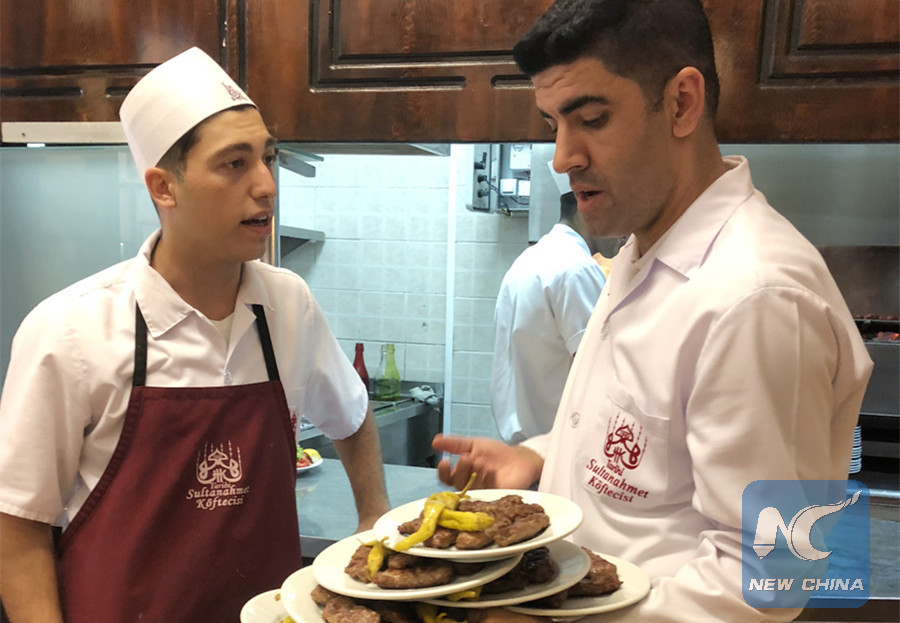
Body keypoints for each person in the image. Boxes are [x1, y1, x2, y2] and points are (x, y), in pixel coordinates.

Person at [433, 1, 873, 621]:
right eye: (554, 125)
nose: (562, 157)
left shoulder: (757, 298)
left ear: (681, 104)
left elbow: (768, 578)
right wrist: (538, 456)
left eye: (591, 119)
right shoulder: (643, 253)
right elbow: (648, 440)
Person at [0, 48, 389, 623]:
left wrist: (371, 520)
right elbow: (16, 526)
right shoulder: (71, 332)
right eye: (234, 164)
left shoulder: (288, 305)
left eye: (268, 157)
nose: (266, 185)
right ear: (164, 187)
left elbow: (351, 418)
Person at [492, 168, 606, 443]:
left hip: (523, 446)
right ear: (585, 204)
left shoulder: (528, 259)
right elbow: (599, 374)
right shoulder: (578, 269)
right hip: (557, 449)